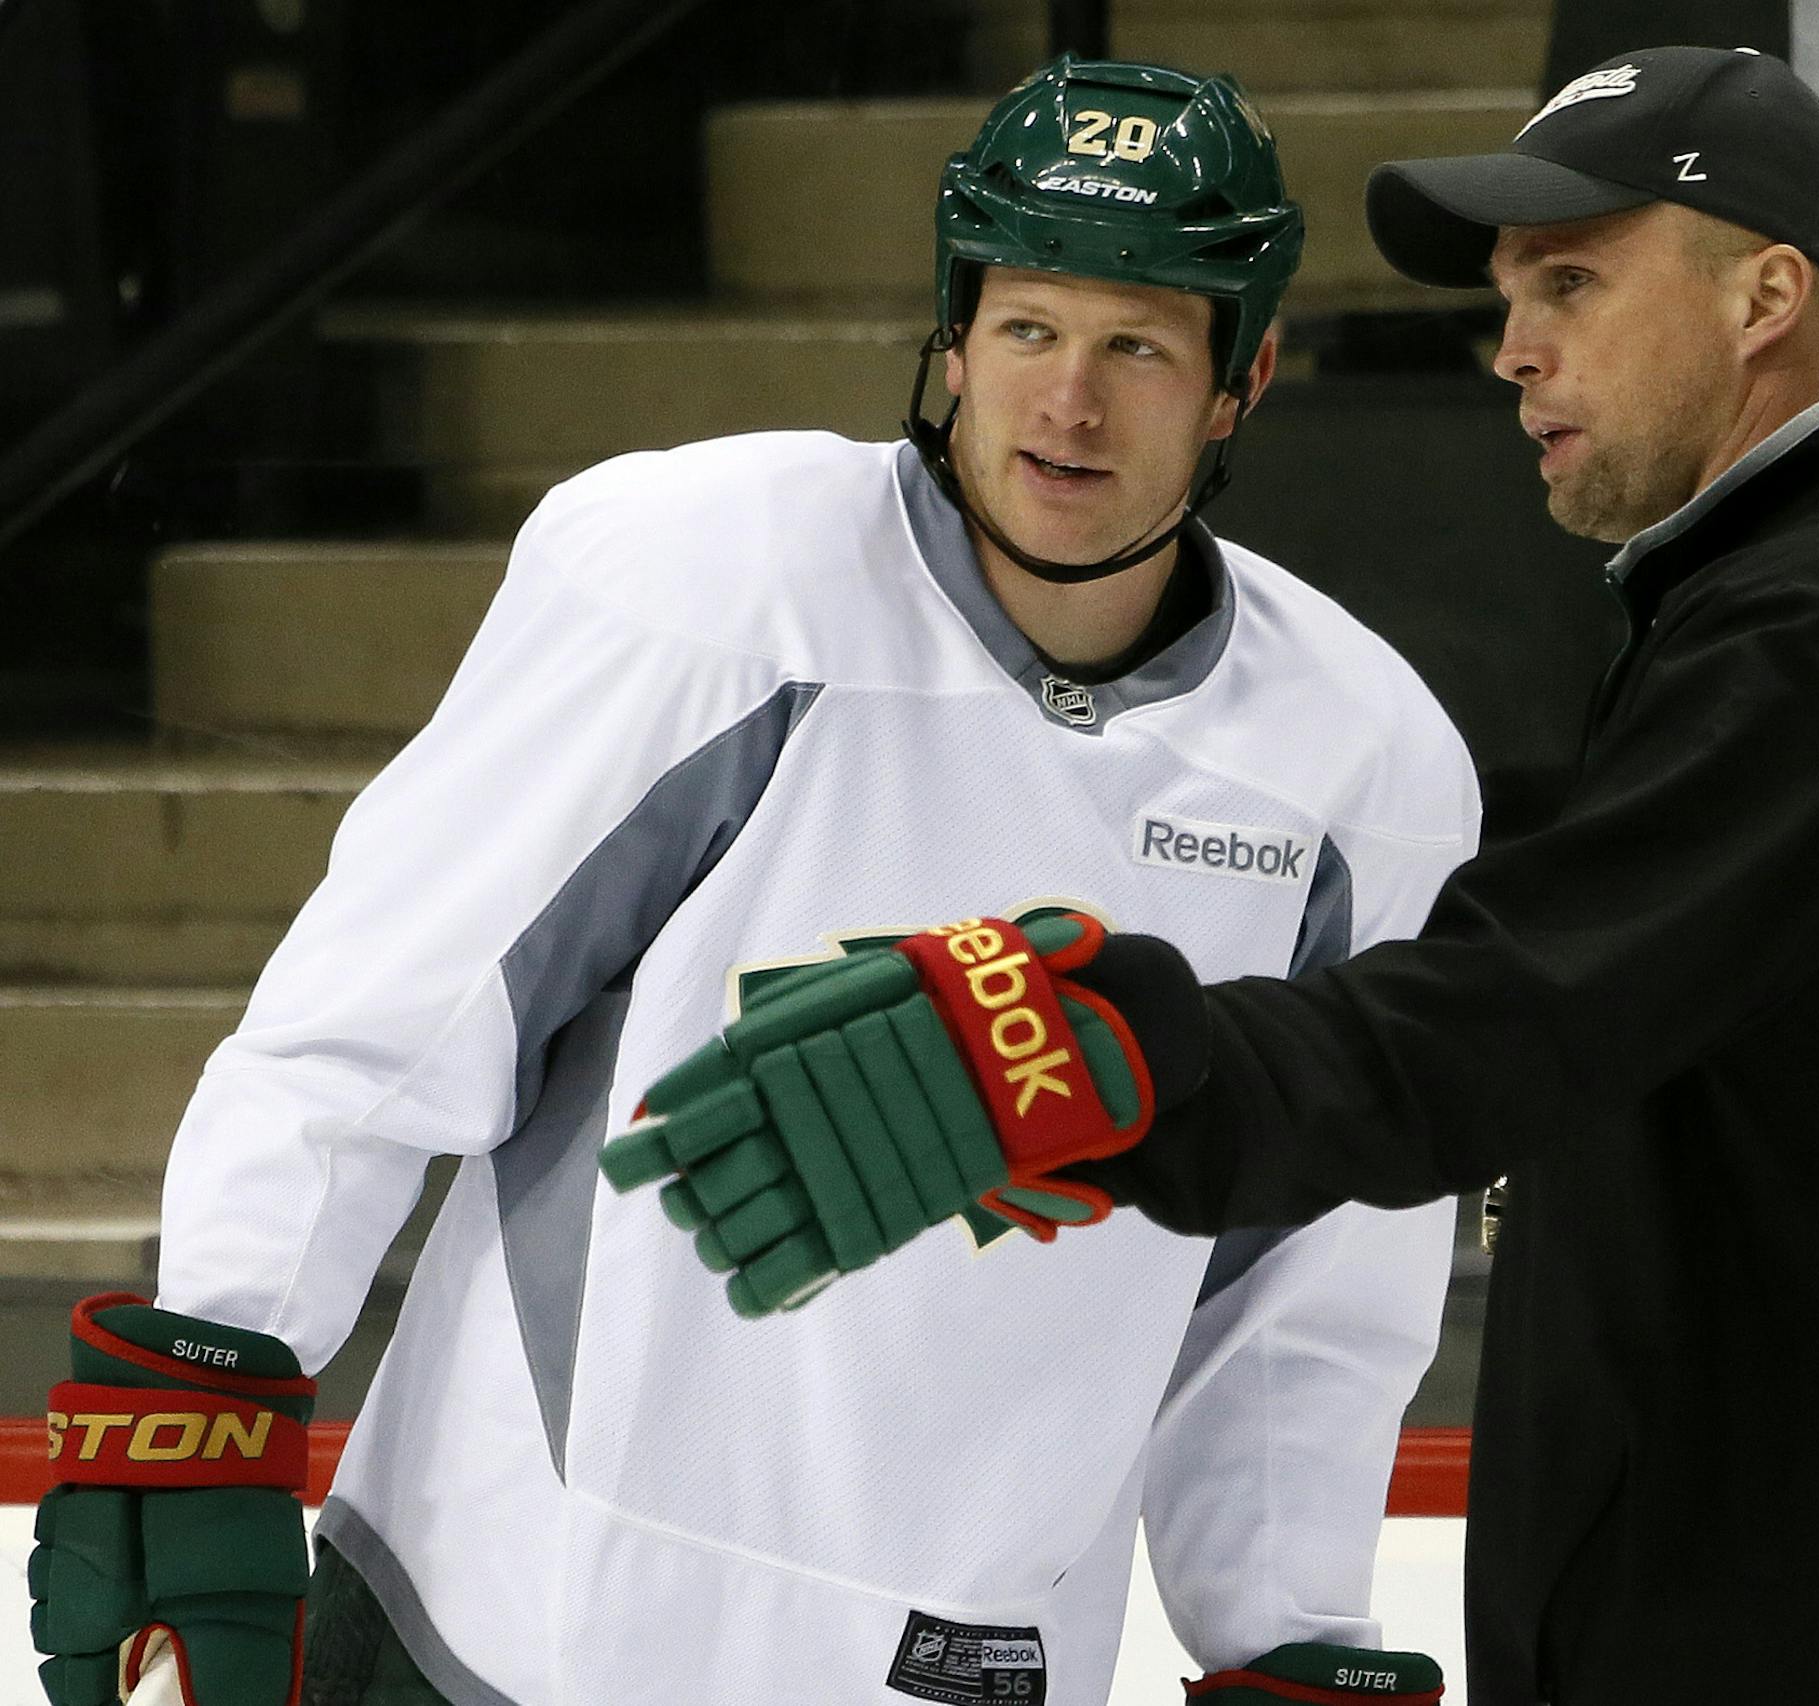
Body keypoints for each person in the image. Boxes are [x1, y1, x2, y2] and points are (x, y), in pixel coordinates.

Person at [606, 46, 1819, 1706]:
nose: (1513, 351)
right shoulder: (1816, 604)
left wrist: (1125, 1060)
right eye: (1509, 295)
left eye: (1569, 283)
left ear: (1765, 295)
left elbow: (1506, 1013)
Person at [30, 55, 1472, 1706]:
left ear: (1246, 378)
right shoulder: (711, 584)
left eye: (1138, 346)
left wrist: (1283, 1628)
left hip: (968, 1666)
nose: (1068, 402)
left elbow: (1311, 1286)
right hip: (507, 1628)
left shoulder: (1361, 768)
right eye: (1027, 329)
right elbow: (387, 1014)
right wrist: (217, 1372)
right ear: (953, 332)